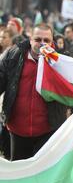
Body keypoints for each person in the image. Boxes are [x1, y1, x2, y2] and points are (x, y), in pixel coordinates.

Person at [0, 23, 67, 161]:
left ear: (52, 41)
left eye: (46, 40)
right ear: (30, 39)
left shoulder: (62, 61)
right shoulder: (13, 55)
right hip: (17, 131)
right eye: (37, 39)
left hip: (48, 131)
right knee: (19, 175)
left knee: (43, 178)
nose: (42, 43)